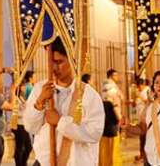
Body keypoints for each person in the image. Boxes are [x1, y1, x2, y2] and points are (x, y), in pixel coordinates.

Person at [23, 37, 105, 166]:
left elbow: (94, 133)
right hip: (44, 162)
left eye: (59, 62)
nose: (54, 67)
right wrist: (39, 103)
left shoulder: (89, 95)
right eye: (51, 62)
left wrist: (60, 121)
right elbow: (30, 127)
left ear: (73, 61)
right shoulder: (40, 88)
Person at [11, 75, 33, 166]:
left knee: (28, 147)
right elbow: (15, 112)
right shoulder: (15, 98)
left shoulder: (22, 97)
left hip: (24, 124)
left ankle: (23, 163)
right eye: (23, 85)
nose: (25, 87)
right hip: (18, 125)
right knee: (20, 147)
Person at [99, 98, 121, 166]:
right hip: (113, 133)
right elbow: (118, 118)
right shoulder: (112, 104)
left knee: (104, 155)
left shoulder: (101, 103)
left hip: (103, 133)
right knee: (113, 155)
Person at [135, 78, 152, 163]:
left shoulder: (146, 91)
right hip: (141, 119)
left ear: (141, 85)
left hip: (145, 120)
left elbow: (148, 102)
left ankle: (144, 156)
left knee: (144, 139)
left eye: (138, 86)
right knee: (141, 139)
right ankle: (142, 155)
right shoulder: (142, 92)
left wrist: (140, 96)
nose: (138, 88)